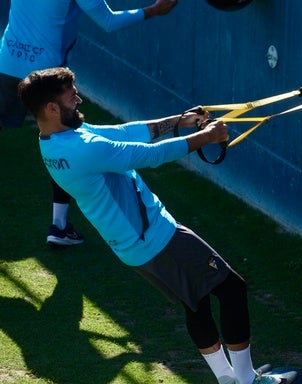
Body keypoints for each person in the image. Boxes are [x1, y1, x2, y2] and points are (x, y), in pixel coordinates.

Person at [18, 66, 296, 384]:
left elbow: (124, 133)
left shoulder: (55, 141)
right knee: (231, 288)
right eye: (71, 97)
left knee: (196, 303)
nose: (78, 99)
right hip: (158, 238)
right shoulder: (82, 148)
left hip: (134, 247)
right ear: (52, 108)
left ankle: (227, 381)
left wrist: (178, 122)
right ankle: (248, 382)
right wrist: (206, 137)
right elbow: (150, 156)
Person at [0, 0, 178, 247]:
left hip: (7, 62)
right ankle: (59, 226)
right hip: (47, 76)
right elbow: (108, 20)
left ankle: (60, 227)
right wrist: (155, 10)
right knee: (65, 144)